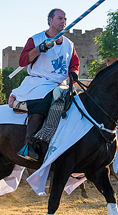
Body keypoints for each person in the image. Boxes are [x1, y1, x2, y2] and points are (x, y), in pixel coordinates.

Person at [11, 8, 80, 161]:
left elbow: (74, 64)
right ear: (50, 20)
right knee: (44, 100)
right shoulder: (36, 39)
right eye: (60, 18)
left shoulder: (69, 44)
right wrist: (39, 49)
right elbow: (23, 61)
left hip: (61, 84)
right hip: (39, 81)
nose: (63, 22)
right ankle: (29, 143)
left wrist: (74, 73)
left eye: (65, 19)